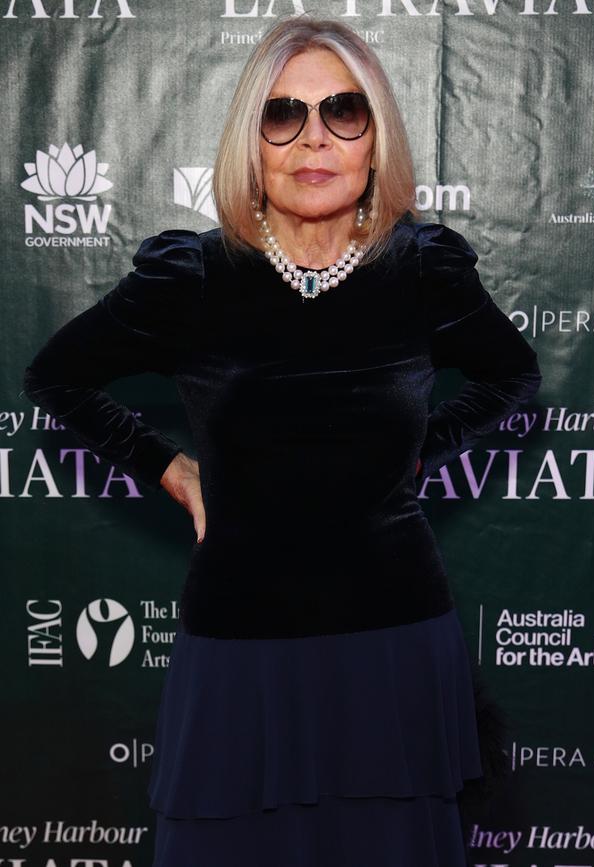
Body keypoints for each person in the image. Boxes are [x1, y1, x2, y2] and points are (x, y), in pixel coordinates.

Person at [21, 14, 542, 867]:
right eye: (282, 114)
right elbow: (55, 376)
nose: (314, 138)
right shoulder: (192, 276)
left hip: (393, 643)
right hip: (239, 651)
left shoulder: (422, 269)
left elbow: (513, 376)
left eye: (344, 110)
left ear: (376, 139)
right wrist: (164, 464)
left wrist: (418, 448)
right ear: (251, 143)